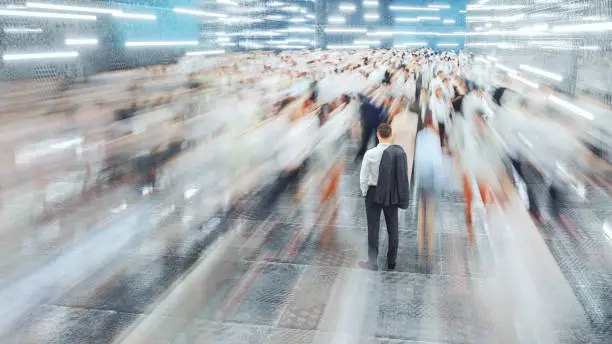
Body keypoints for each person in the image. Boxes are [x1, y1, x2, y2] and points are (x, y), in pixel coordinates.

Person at [359, 123, 409, 270]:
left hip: (373, 193)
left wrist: (365, 192)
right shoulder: (397, 153)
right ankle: (391, 261)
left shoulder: (370, 153)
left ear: (378, 135)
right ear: (391, 135)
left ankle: (373, 262)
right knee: (392, 228)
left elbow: (363, 176)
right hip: (391, 194)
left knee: (373, 228)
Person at [414, 113, 443, 261]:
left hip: (421, 178)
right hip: (431, 178)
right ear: (433, 124)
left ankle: (420, 252)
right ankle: (430, 254)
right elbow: (438, 162)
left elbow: (417, 157)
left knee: (421, 215)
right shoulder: (435, 137)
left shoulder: (420, 136)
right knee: (430, 216)